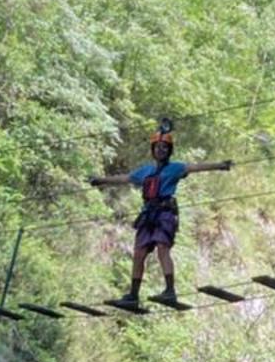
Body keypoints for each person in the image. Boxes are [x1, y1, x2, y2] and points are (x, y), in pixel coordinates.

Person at [90, 125, 233, 307]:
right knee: (139, 253)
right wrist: (100, 180)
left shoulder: (175, 168)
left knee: (162, 248)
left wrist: (220, 165)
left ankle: (169, 291)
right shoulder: (145, 171)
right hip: (148, 215)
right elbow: (124, 178)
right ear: (153, 150)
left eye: (164, 148)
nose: (161, 150)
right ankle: (133, 295)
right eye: (157, 147)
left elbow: (196, 167)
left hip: (165, 213)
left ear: (169, 151)